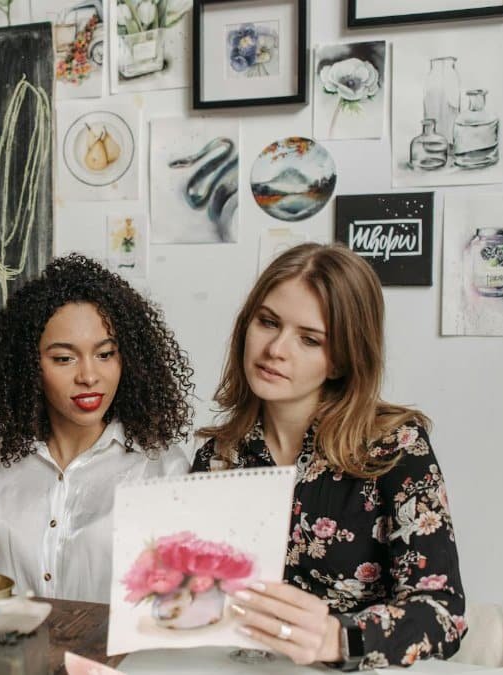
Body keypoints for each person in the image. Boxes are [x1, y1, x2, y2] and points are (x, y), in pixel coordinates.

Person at [192, 243, 465, 669]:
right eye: (268, 322)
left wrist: (339, 638)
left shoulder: (396, 447)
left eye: (309, 339)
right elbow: (199, 598)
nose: (276, 349)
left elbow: (443, 615)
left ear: (340, 360)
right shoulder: (218, 456)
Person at [0, 254, 195, 603]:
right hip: (13, 652)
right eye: (64, 358)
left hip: (110, 657)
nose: (89, 376)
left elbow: (179, 604)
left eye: (105, 354)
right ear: (29, 366)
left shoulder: (161, 469)